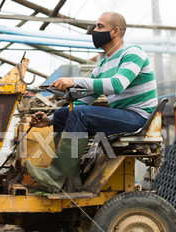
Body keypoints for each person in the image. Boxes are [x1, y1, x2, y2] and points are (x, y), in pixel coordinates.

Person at [25, 11, 158, 193]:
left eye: (99, 26)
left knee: (80, 114)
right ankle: (71, 179)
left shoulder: (132, 53)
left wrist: (75, 81)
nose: (94, 31)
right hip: (122, 115)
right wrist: (51, 119)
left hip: (139, 118)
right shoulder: (102, 64)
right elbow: (85, 99)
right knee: (67, 113)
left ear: (115, 31)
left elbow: (118, 85)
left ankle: (54, 176)